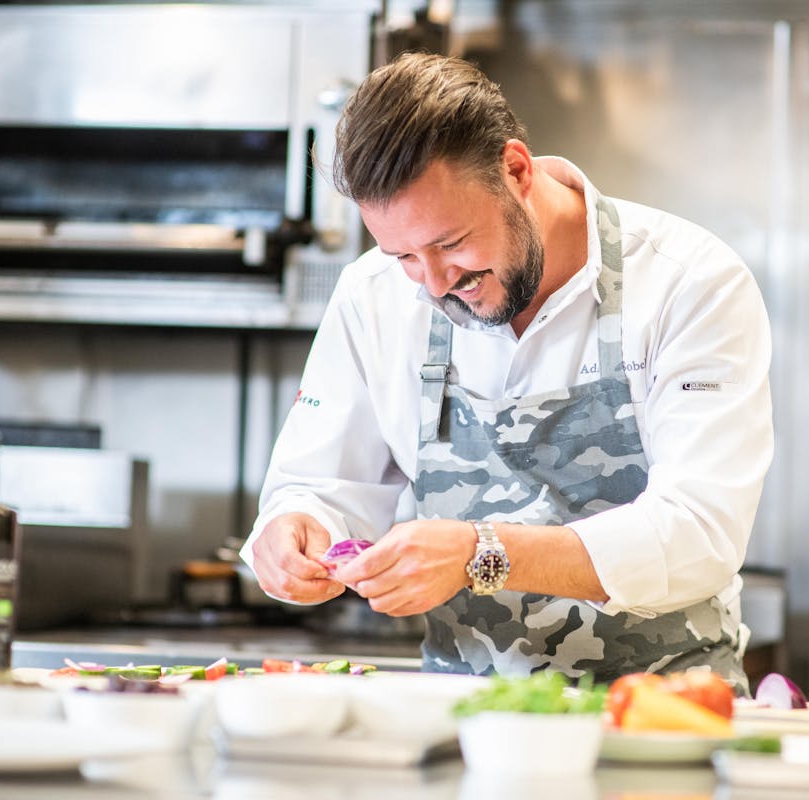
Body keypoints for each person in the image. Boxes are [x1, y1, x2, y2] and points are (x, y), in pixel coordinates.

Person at [240, 52, 774, 689]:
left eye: (450, 243)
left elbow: (699, 533)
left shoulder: (688, 283)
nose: (436, 283)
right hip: (466, 718)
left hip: (661, 714)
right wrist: (296, 530)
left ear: (516, 170)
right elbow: (321, 486)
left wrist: (479, 552)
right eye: (404, 254)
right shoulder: (371, 295)